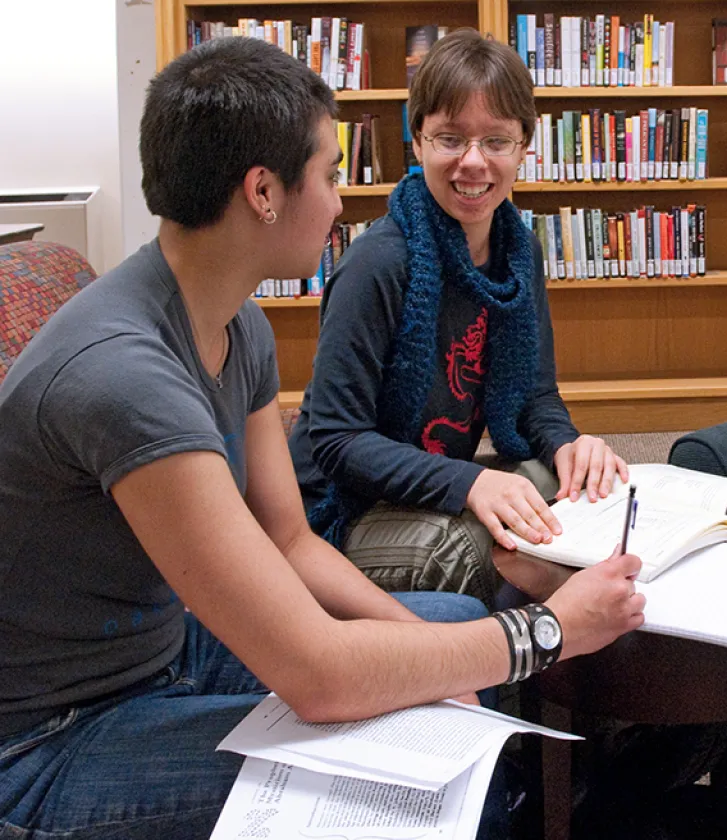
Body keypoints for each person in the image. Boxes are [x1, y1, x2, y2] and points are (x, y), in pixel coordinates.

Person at [0, 36, 643, 840]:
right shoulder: (127, 379)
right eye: (332, 175)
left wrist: (429, 652)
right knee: (420, 782)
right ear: (264, 191)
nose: (343, 202)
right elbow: (317, 675)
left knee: (444, 625)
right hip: (48, 741)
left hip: (167, 649)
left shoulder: (238, 322)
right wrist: (544, 632)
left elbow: (289, 540)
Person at [288, 28, 627, 605]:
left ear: (524, 146)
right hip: (340, 513)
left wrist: (569, 446)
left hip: (429, 483)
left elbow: (536, 399)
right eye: (450, 139)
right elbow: (337, 442)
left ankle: (547, 667)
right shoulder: (378, 262)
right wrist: (470, 481)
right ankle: (518, 663)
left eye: (496, 140)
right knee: (490, 546)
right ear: (416, 144)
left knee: (570, 495)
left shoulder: (518, 251)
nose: (474, 162)